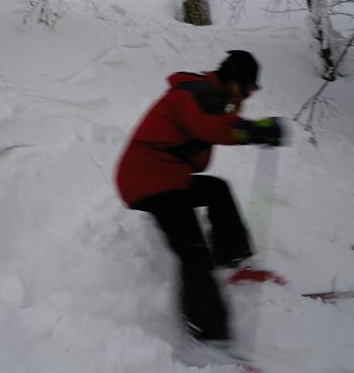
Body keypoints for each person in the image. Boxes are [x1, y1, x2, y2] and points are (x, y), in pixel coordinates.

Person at [114, 50, 285, 344]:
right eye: (249, 88)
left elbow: (213, 129)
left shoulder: (210, 97)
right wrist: (257, 130)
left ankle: (234, 260)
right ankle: (207, 332)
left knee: (217, 189)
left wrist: (253, 130)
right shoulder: (199, 93)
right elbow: (214, 128)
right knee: (192, 250)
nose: (249, 95)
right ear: (235, 81)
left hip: (166, 177)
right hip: (147, 179)